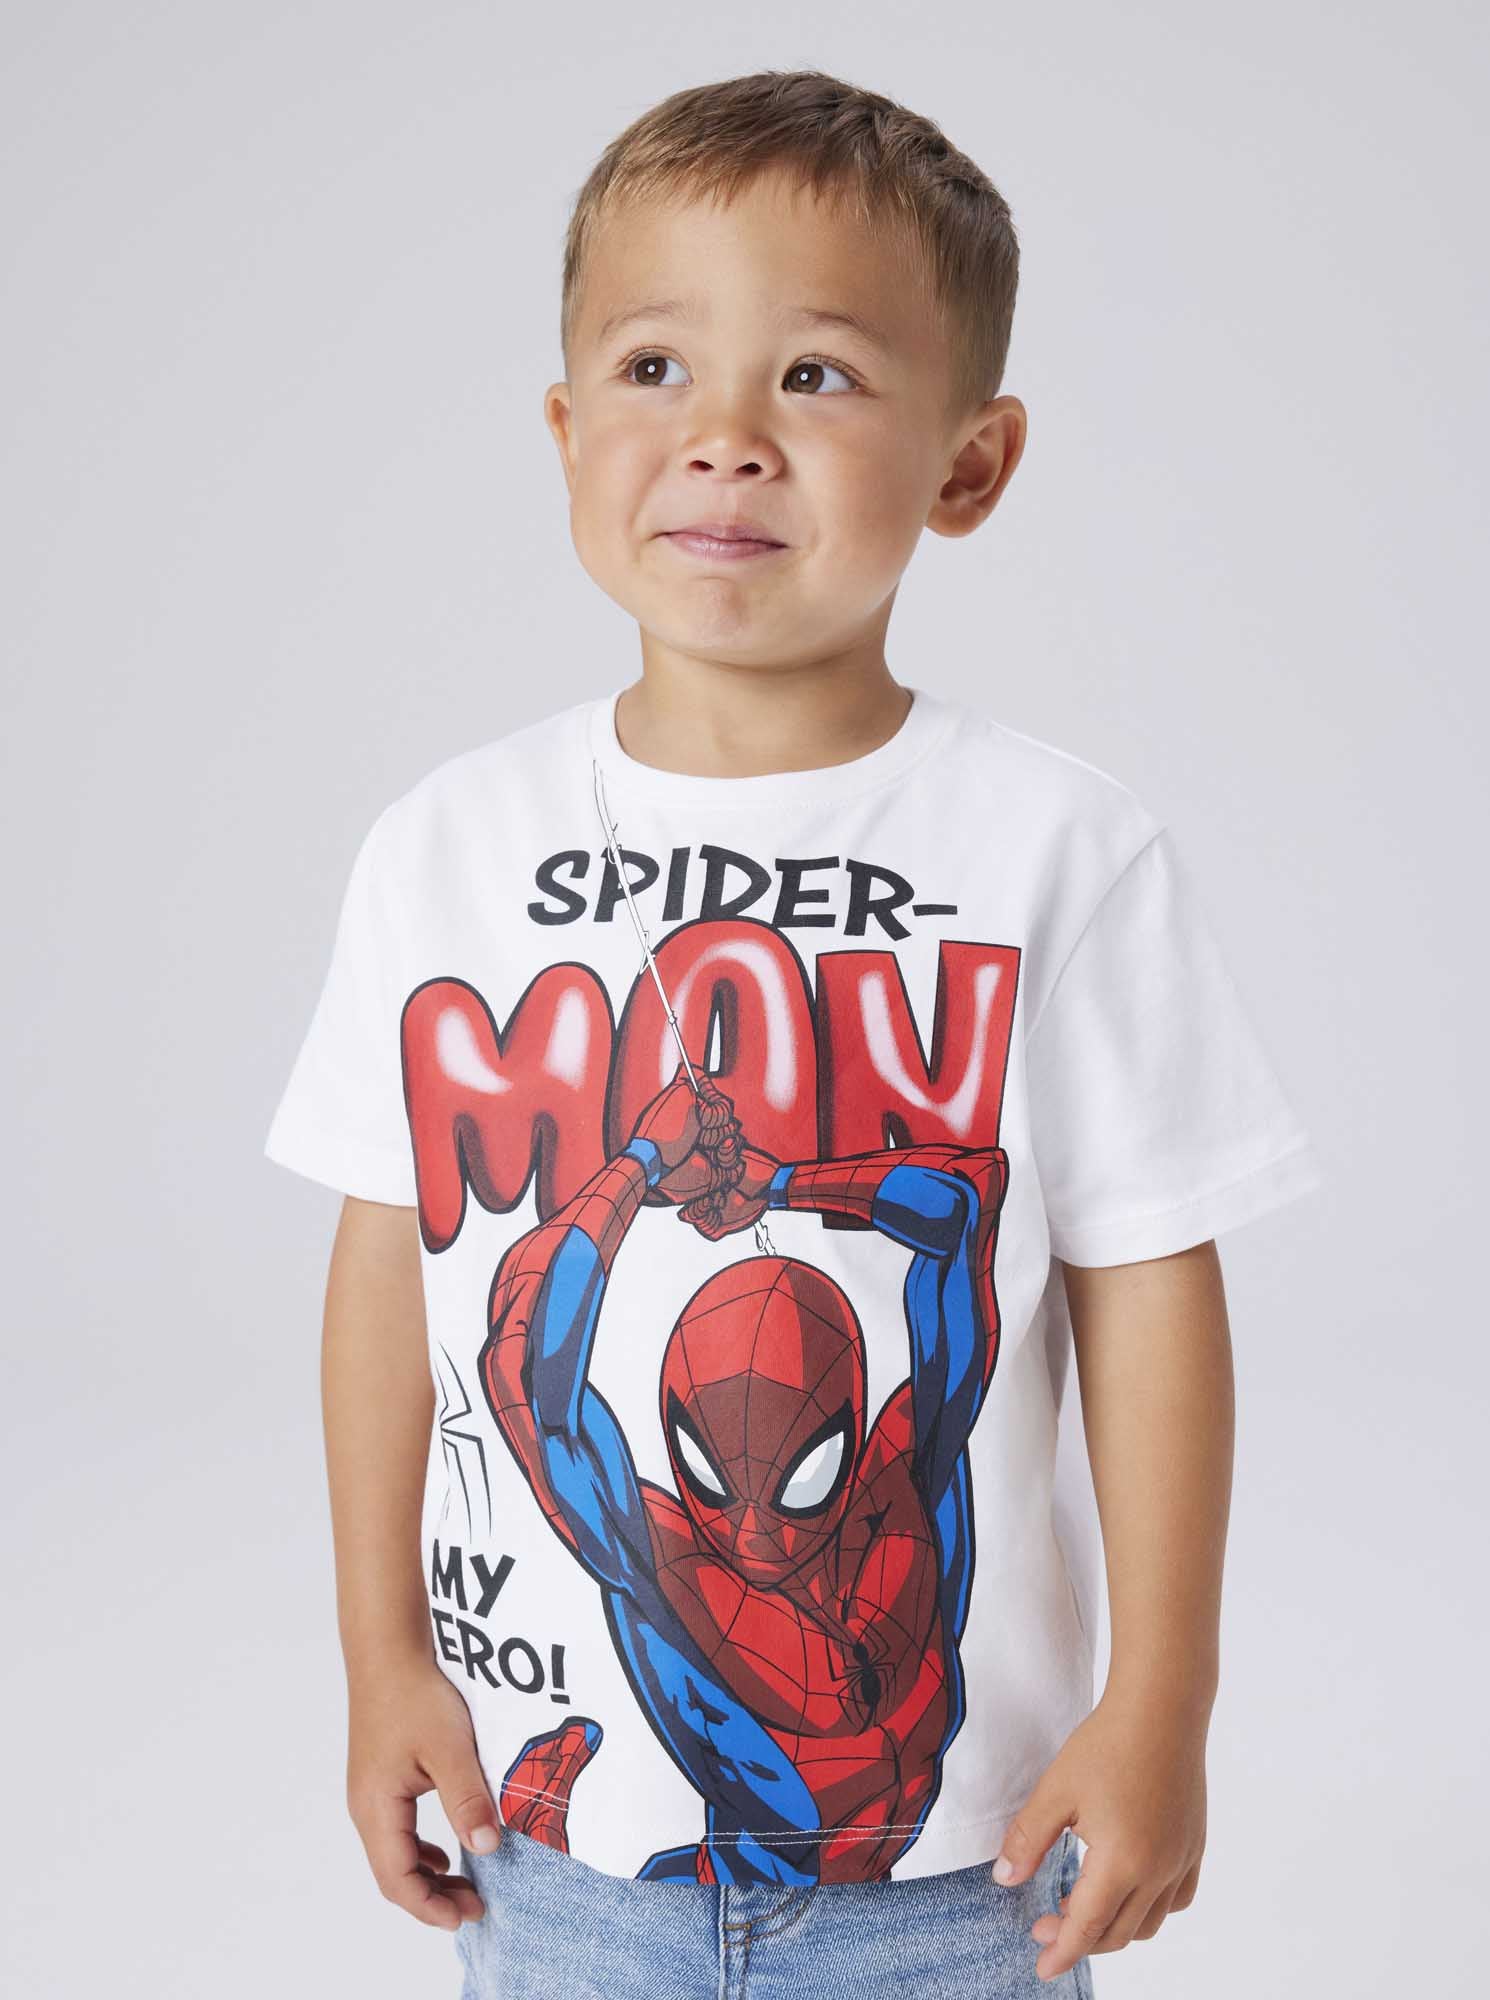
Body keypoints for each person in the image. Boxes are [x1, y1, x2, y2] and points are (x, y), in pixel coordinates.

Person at [264, 68, 1323, 1997]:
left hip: (966, 1885)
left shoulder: (1056, 853)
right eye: (656, 367)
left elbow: (1140, 1274)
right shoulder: (443, 852)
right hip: (567, 1876)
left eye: (817, 377)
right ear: (568, 431)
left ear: (971, 466)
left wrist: (1164, 1701)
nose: (728, 439)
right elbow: (409, 1275)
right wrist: (381, 1654)